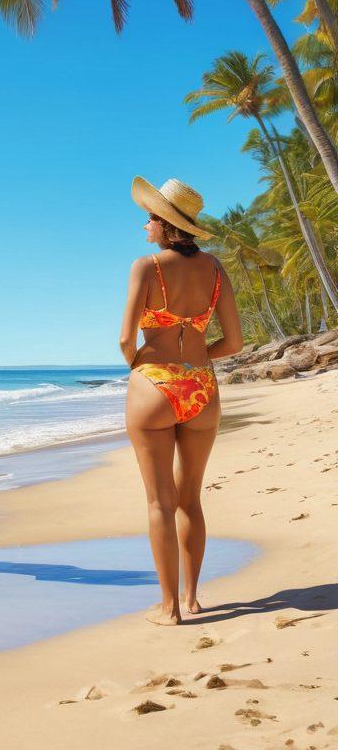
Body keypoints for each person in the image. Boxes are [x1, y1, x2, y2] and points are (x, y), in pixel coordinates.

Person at [121, 178, 243, 625]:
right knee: (191, 499)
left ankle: (169, 608)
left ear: (164, 224)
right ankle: (192, 597)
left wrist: (143, 366)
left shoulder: (145, 267)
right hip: (202, 388)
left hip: (153, 384)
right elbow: (234, 342)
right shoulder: (215, 269)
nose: (145, 225)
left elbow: (123, 336)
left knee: (159, 503)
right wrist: (194, 361)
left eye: (149, 218)